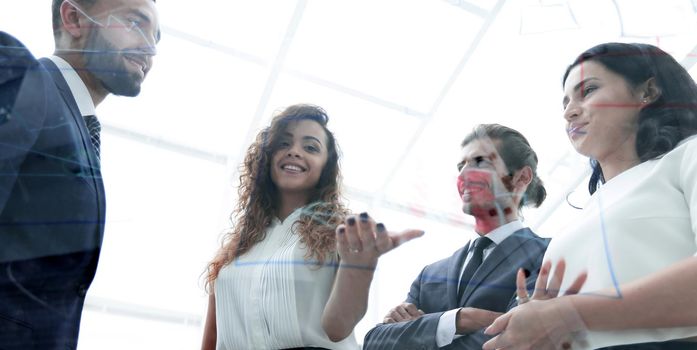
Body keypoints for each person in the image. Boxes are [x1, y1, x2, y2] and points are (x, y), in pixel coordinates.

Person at [483, 42, 697, 350]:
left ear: (647, 92)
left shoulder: (687, 155)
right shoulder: (572, 226)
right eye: (566, 102)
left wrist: (569, 315)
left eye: (589, 90)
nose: (569, 111)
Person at [0, 0, 159, 348]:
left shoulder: (78, 128)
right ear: (73, 19)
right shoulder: (20, 75)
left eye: (156, 36)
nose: (151, 46)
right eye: (135, 23)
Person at [200, 104, 423, 350]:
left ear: (325, 167)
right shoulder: (235, 250)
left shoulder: (340, 233)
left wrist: (360, 265)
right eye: (284, 143)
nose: (294, 152)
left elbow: (338, 327)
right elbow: (211, 340)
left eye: (310, 147)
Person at [362, 124, 550, 349]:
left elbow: (514, 340)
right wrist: (459, 319)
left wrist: (421, 331)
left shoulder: (548, 254)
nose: (463, 175)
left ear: (521, 177)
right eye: (461, 166)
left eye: (480, 162)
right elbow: (375, 342)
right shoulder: (430, 276)